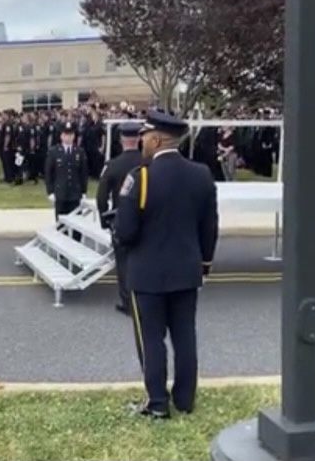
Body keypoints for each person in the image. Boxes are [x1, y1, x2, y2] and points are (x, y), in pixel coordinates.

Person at [114, 110, 219, 419]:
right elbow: (209, 226)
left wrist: (118, 232)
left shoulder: (140, 177)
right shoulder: (201, 174)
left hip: (147, 273)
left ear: (157, 139)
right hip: (187, 270)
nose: (141, 140)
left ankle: (157, 402)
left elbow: (127, 230)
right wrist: (205, 264)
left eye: (145, 135)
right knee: (185, 336)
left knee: (151, 340)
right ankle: (185, 399)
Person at [95, 122, 145, 316]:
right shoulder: (149, 162)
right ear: (139, 138)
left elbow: (101, 197)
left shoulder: (113, 165)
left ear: (122, 140)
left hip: (122, 219)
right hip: (146, 219)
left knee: (124, 263)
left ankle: (128, 303)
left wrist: (104, 219)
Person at [45, 122, 89, 239]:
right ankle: (62, 254)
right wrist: (50, 192)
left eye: (70, 135)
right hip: (60, 193)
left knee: (77, 225)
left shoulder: (79, 151)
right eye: (65, 134)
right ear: (61, 136)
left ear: (74, 136)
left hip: (75, 193)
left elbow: (83, 173)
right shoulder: (54, 151)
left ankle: (76, 250)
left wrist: (84, 191)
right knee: (61, 224)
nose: (68, 137)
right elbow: (49, 173)